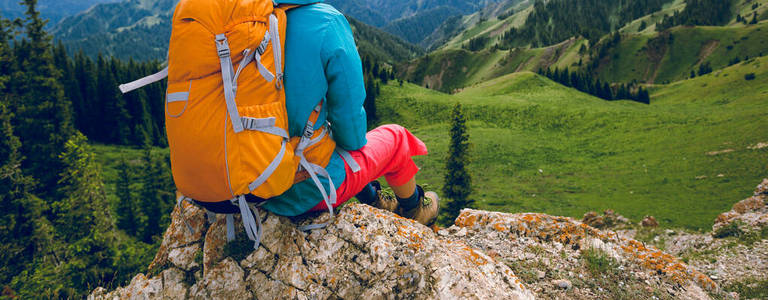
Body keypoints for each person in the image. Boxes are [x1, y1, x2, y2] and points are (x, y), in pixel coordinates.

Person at [264, 0, 439, 225]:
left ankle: (373, 199)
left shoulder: (233, 25)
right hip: (302, 190)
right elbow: (352, 135)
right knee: (396, 138)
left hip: (238, 185)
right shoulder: (324, 21)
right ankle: (414, 211)